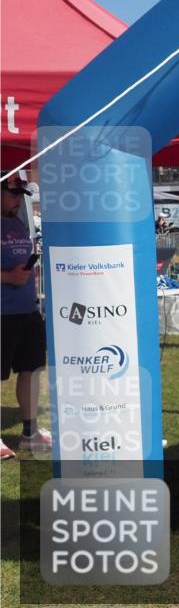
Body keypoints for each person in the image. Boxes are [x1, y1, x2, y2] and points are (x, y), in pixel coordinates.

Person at [1, 174, 51, 459]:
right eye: (13, 194)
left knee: (31, 370)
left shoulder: (18, 223)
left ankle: (30, 433)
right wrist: (8, 276)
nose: (18, 200)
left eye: (21, 195)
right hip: (2, 313)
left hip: (27, 310)